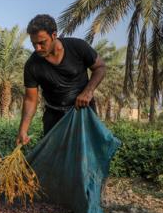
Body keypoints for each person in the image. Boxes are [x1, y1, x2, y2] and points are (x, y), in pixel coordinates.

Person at [17, 14, 106, 145]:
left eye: (42, 43)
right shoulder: (32, 65)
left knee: (85, 155)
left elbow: (100, 67)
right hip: (54, 117)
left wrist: (88, 91)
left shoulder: (78, 47)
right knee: (55, 158)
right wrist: (23, 130)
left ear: (53, 35)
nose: (37, 49)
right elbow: (30, 99)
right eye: (33, 44)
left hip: (82, 113)